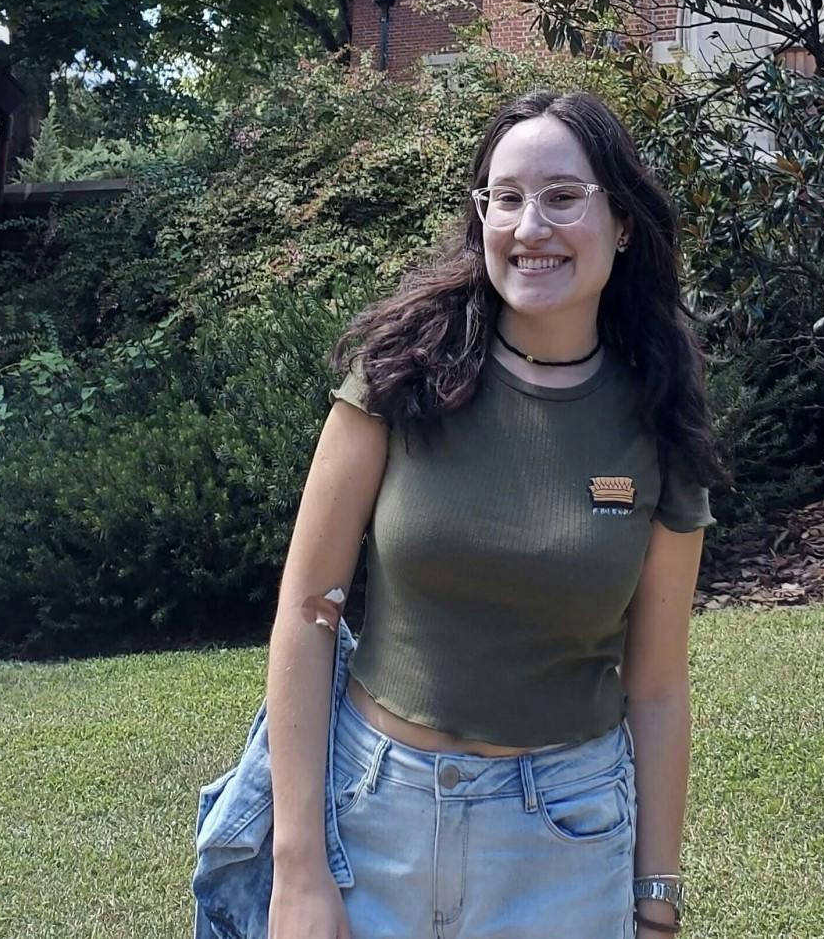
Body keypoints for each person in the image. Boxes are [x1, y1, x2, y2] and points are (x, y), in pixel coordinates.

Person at [262, 88, 729, 939]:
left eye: (561, 197)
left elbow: (657, 686)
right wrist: (298, 865)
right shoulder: (398, 378)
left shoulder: (659, 421)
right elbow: (307, 610)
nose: (528, 226)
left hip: (565, 833)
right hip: (372, 818)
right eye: (504, 199)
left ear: (621, 221)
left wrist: (656, 899)